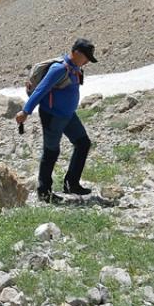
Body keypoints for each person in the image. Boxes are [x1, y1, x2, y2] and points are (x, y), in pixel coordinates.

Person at [16, 37, 97, 203]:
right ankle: (44, 192)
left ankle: (71, 184)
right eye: (86, 57)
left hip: (68, 115)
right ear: (76, 53)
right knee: (51, 151)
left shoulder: (75, 67)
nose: (87, 61)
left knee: (83, 143)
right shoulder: (59, 68)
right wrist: (26, 111)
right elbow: (40, 90)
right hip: (53, 116)